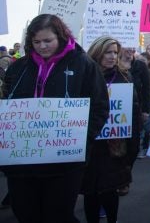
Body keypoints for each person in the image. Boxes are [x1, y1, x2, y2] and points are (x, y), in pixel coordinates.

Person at [1, 14, 108, 223]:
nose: (42, 46)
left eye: (47, 41)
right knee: (26, 214)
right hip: (21, 164)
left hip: (64, 164)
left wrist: (81, 139)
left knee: (58, 215)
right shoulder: (18, 67)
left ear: (60, 37)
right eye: (36, 42)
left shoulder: (84, 64)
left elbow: (100, 107)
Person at [82, 36, 141, 223]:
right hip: (91, 144)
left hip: (114, 146)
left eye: (115, 52)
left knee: (109, 191)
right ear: (97, 52)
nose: (113, 56)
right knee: (90, 192)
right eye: (108, 52)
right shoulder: (84, 76)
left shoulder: (124, 77)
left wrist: (133, 147)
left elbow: (133, 111)